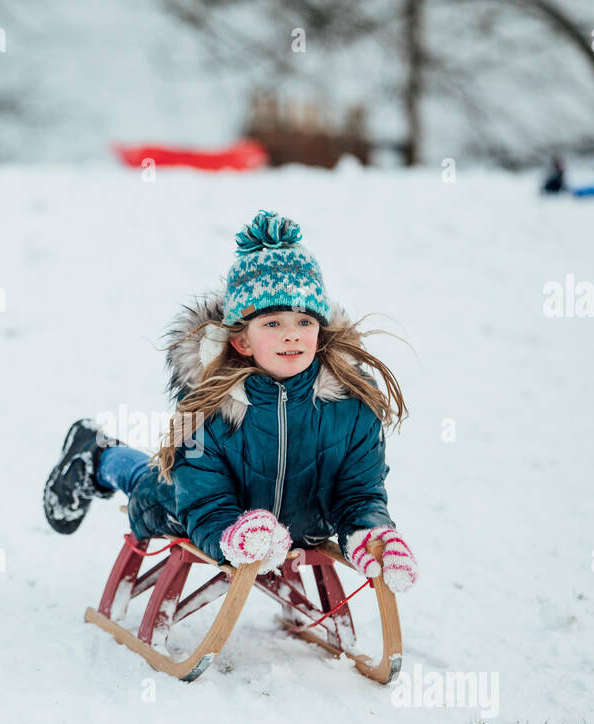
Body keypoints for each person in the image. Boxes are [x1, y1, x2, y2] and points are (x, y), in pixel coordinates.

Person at [42, 210, 417, 594]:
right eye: (272, 324)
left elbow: (359, 492)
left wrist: (371, 531)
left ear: (321, 332)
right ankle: (99, 455)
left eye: (304, 322)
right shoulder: (214, 406)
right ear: (242, 341)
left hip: (297, 525)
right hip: (191, 504)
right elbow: (203, 499)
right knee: (149, 485)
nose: (292, 336)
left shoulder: (352, 406)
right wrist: (230, 530)